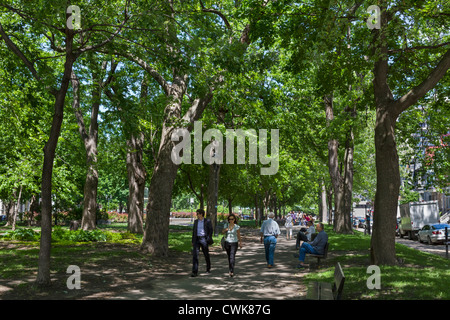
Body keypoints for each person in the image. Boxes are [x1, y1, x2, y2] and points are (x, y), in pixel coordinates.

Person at [191, 208, 213, 277]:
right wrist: (193, 241)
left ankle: (208, 268)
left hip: (204, 239)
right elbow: (194, 232)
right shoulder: (196, 222)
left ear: (201, 214)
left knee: (206, 254)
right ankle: (195, 271)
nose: (196, 215)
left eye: (197, 213)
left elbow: (211, 230)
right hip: (197, 239)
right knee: (195, 255)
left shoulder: (207, 221)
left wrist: (208, 238)